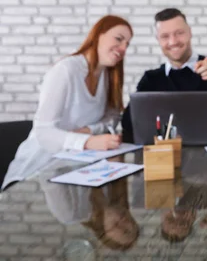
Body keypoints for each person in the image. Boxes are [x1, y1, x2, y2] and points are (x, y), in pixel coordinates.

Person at [2, 15, 133, 190]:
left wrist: (90, 130)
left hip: (73, 169)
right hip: (35, 173)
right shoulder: (65, 71)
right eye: (118, 39)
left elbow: (113, 115)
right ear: (98, 35)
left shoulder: (108, 76)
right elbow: (43, 132)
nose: (123, 48)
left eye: (127, 44)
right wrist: (87, 141)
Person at [121, 8, 207, 143]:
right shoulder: (151, 79)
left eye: (179, 33)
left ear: (189, 32)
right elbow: (129, 124)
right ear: (158, 40)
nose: (173, 41)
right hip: (168, 156)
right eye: (165, 36)